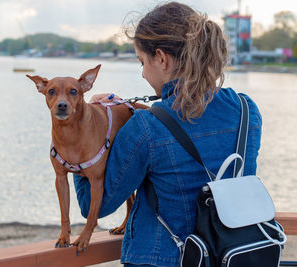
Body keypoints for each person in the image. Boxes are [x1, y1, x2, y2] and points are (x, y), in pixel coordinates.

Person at [73, 2, 262, 266]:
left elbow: (93, 206)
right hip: (235, 256)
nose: (142, 73)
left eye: (142, 62)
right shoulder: (246, 110)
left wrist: (88, 131)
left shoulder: (145, 127)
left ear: (161, 58)